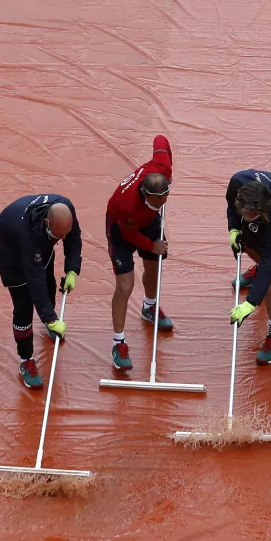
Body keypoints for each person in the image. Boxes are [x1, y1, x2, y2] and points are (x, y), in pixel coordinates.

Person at [0, 194, 79, 389]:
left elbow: (73, 239)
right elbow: (33, 278)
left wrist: (72, 269)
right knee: (23, 305)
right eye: (58, 237)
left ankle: (50, 322)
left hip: (38, 240)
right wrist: (50, 318)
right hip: (8, 248)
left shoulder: (65, 209)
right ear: (47, 222)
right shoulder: (28, 234)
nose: (61, 240)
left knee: (48, 282)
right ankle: (26, 360)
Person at [105, 135, 173, 371]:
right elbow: (129, 235)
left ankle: (149, 306)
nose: (161, 203)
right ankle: (118, 343)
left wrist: (168, 168)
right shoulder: (125, 204)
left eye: (165, 198)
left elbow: (160, 139)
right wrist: (152, 246)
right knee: (125, 285)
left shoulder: (161, 168)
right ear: (145, 195)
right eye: (156, 201)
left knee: (154, 266)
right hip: (122, 228)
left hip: (148, 222)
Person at [227, 169, 271, 365]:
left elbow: (270, 261)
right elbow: (231, 208)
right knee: (248, 243)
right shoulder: (236, 183)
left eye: (256, 214)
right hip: (253, 206)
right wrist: (233, 229)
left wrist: (250, 303)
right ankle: (257, 271)